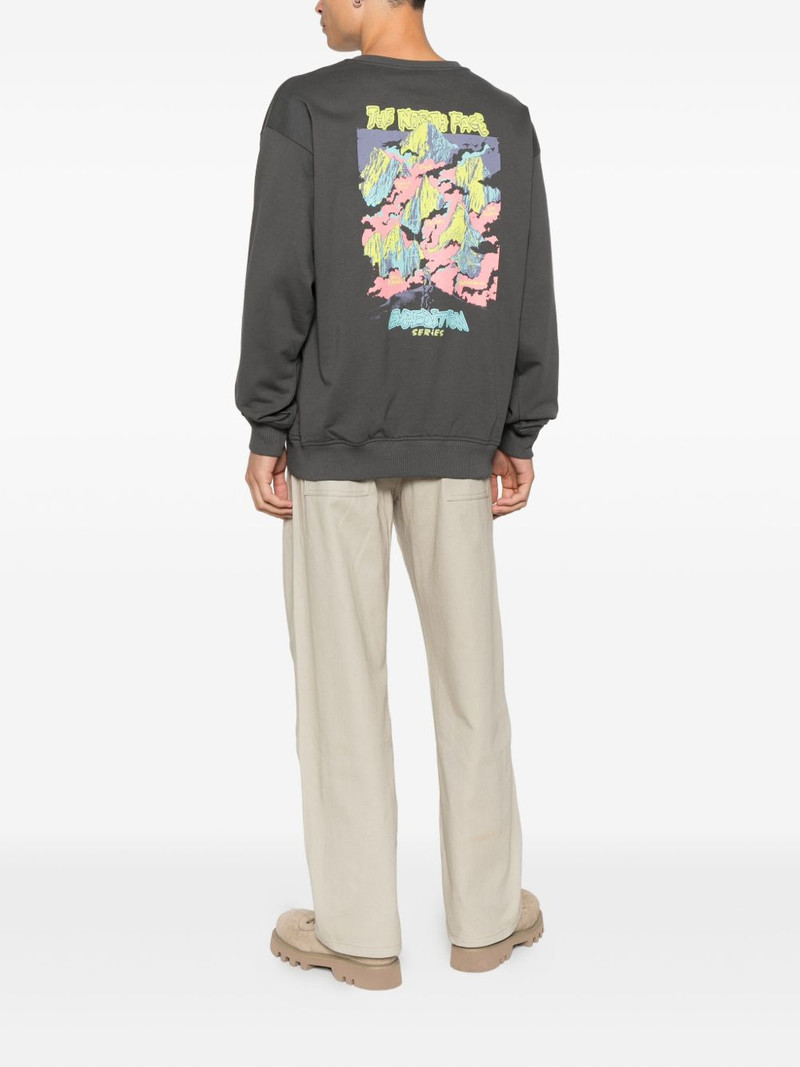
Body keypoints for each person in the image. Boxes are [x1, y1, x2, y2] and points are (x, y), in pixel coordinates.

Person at [235, 0, 559, 991]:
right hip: (459, 431)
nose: (314, 4)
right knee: (472, 686)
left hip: (333, 435)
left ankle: (359, 932)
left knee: (342, 690)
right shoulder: (502, 117)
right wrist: (519, 423)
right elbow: (528, 282)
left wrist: (266, 421)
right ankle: (484, 919)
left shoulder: (307, 109)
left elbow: (281, 277)